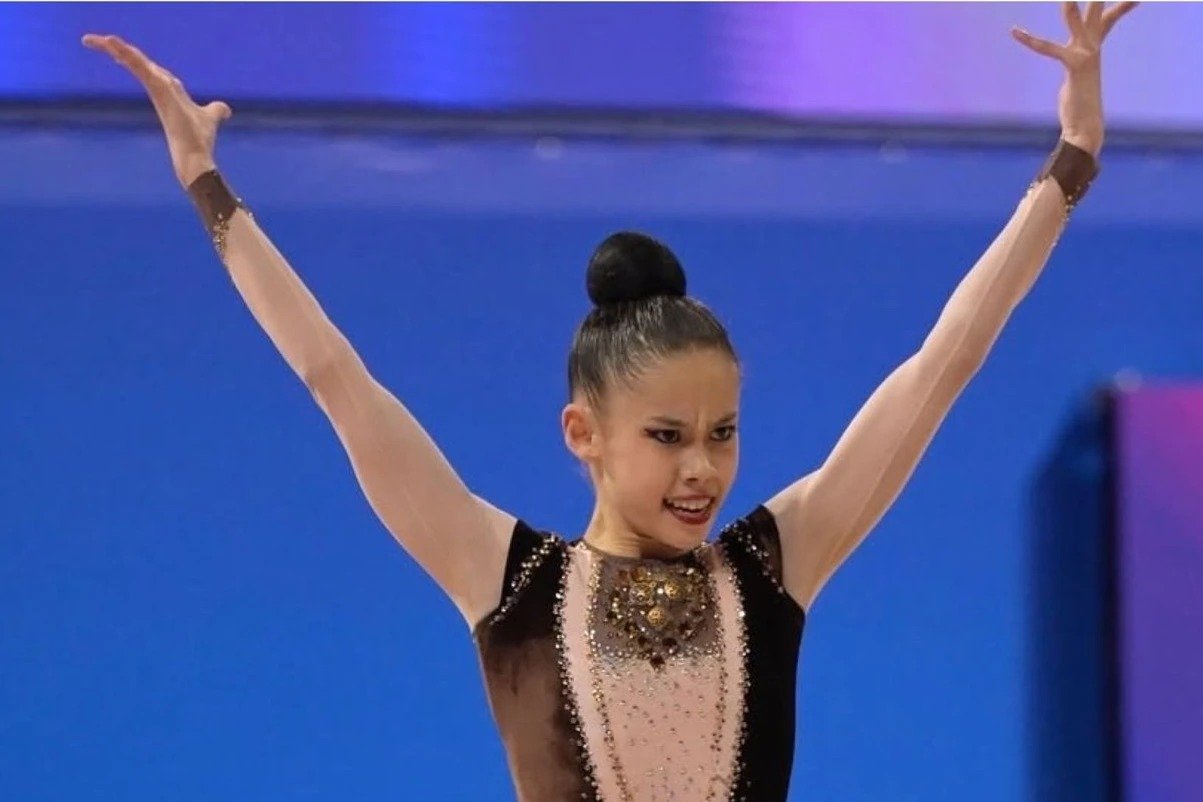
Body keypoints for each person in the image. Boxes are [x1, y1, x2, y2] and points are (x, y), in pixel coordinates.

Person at [83, 4, 1137, 799]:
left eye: (723, 433)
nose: (703, 467)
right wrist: (209, 189)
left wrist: (1071, 164)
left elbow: (944, 362)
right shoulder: (505, 579)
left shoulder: (775, 565)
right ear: (583, 434)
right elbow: (334, 377)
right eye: (667, 436)